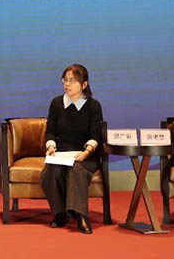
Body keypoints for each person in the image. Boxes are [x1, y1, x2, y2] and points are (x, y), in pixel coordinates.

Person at [40, 64, 104, 234]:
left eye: (72, 81)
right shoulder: (56, 103)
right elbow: (50, 131)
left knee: (77, 169)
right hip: (61, 153)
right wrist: (51, 146)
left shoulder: (93, 106)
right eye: (65, 80)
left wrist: (87, 152)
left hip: (85, 154)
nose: (67, 84)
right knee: (50, 172)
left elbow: (95, 134)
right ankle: (60, 213)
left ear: (84, 84)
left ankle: (81, 215)